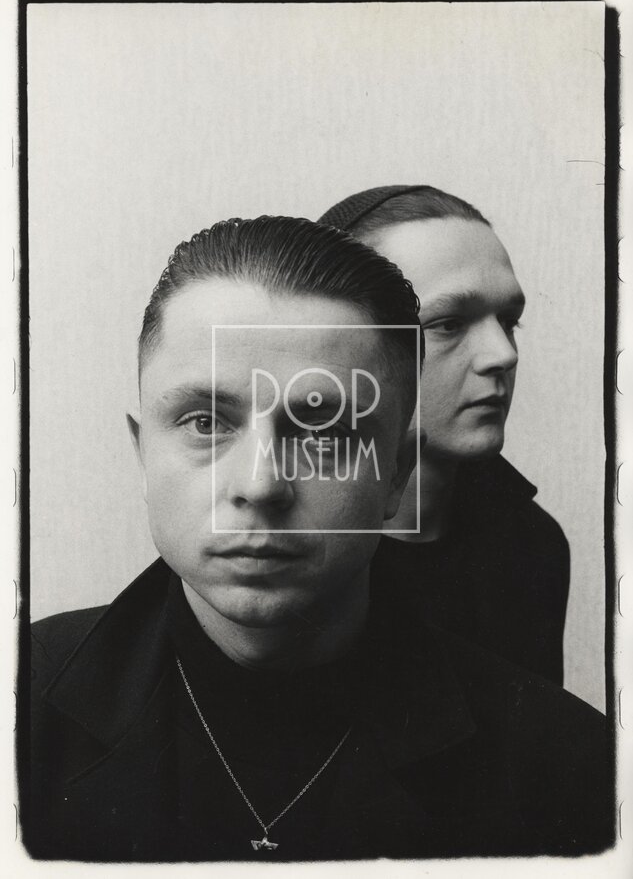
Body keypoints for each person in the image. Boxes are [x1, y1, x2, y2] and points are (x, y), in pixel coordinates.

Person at [25, 216, 610, 862]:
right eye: (205, 422)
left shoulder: (570, 769)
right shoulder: (17, 709)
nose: (260, 484)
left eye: (323, 430)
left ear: (395, 476)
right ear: (143, 453)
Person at [319, 186, 570, 685]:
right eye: (449, 323)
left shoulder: (531, 544)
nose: (503, 354)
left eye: (509, 320)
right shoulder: (286, 554)